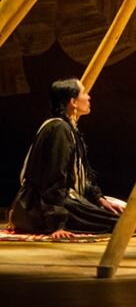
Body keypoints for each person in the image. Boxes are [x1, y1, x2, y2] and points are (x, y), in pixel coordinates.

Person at [9, 78, 124, 237]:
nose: (89, 97)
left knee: (127, 217)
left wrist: (99, 199)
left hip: (57, 201)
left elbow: (82, 173)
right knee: (123, 223)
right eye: (84, 93)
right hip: (41, 208)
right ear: (73, 102)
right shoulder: (59, 129)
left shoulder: (69, 128)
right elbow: (54, 178)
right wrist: (58, 223)